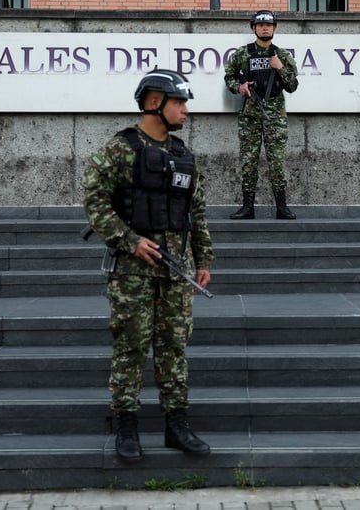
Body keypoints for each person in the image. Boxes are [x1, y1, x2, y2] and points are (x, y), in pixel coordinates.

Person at [81, 69, 214, 462]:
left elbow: (197, 212)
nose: (186, 111)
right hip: (133, 273)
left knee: (174, 348)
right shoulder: (119, 150)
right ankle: (127, 428)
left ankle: (177, 426)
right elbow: (95, 204)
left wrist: (203, 258)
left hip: (176, 271)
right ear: (154, 103)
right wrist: (129, 241)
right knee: (131, 348)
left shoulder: (183, 156)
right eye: (180, 103)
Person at [223, 10, 300, 220]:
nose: (265, 28)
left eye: (269, 25)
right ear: (253, 28)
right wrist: (240, 87)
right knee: (249, 161)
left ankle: (281, 207)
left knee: (277, 161)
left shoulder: (282, 55)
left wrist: (280, 68)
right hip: (250, 114)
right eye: (260, 24)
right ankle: (248, 207)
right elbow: (229, 78)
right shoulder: (241, 54)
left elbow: (292, 85)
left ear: (274, 28)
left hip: (275, 114)